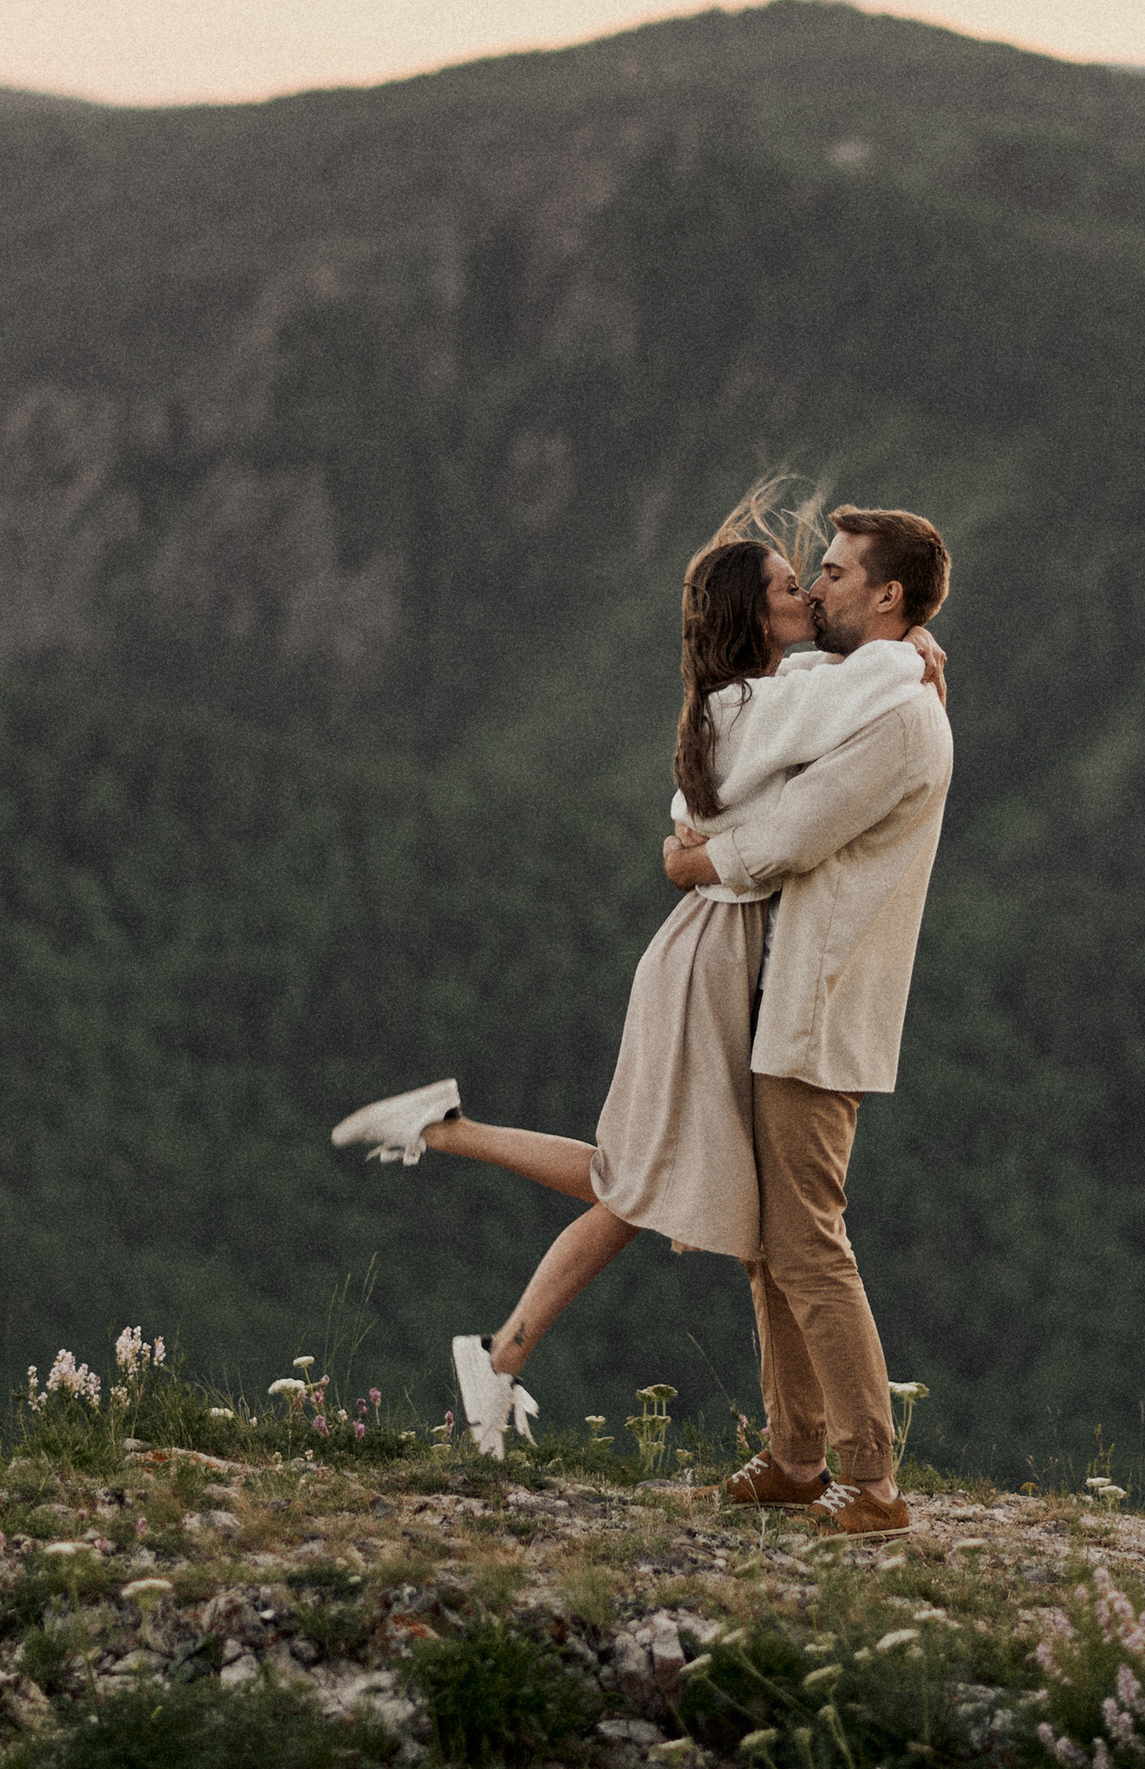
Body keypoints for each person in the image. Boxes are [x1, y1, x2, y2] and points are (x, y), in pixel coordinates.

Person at [330, 489, 946, 1463]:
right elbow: (802, 777)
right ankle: (494, 1338)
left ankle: (456, 1179)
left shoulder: (760, 698)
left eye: (819, 578)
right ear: (756, 616)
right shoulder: (759, 707)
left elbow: (823, 705)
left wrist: (905, 652)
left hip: (723, 951)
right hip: (713, 956)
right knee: (635, 1183)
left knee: (636, 1179)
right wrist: (908, 654)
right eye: (791, 586)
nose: (807, 593)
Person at [662, 505, 954, 1539]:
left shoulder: (898, 719)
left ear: (887, 594)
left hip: (820, 1005)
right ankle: (795, 1453)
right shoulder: (863, 690)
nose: (816, 586)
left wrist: (696, 860)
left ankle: (871, 1478)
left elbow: (793, 832)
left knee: (809, 1243)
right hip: (786, 994)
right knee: (768, 1244)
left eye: (832, 572)